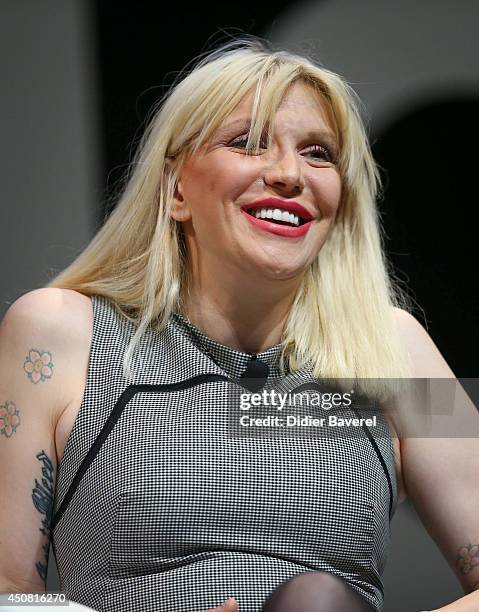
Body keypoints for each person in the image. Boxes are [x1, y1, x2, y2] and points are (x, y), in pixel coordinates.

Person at [0, 34, 478, 612]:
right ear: (176, 188)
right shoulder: (56, 333)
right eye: (248, 143)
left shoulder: (393, 348)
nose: (288, 173)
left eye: (318, 153)